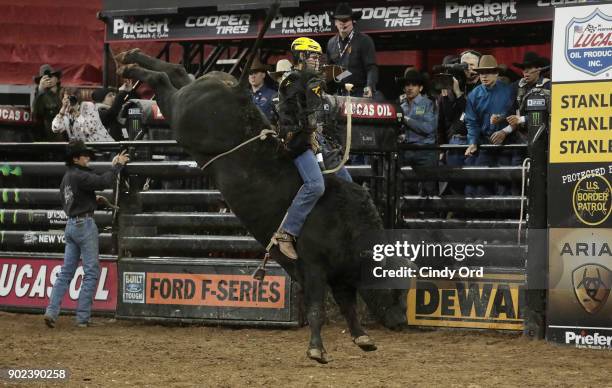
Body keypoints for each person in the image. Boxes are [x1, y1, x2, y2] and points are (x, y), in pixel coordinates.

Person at [271, 37, 351, 260]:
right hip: (296, 140)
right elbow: (302, 114)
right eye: (313, 56)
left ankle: (341, 229)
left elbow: (313, 111)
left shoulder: (306, 79)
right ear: (301, 57)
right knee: (315, 185)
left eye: (318, 56)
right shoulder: (291, 82)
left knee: (345, 180)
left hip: (312, 137)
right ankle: (286, 233)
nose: (317, 60)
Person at [44, 141, 129, 328]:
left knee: (66, 272)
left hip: (71, 225)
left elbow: (74, 198)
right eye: (84, 155)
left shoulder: (67, 177)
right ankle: (82, 317)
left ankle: (51, 311)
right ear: (76, 158)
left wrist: (91, 200)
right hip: (85, 225)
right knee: (91, 271)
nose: (88, 158)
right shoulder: (80, 175)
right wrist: (117, 166)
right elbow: (102, 182)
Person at [464, 55, 515, 196]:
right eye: (481, 73)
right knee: (481, 181)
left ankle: (502, 216)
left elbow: (515, 115)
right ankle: (483, 215)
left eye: (488, 72)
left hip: (507, 144)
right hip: (486, 143)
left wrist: (503, 121)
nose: (484, 76)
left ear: (496, 73)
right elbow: (471, 122)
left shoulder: (509, 91)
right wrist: (472, 142)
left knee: (504, 185)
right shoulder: (473, 95)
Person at [398, 69, 438, 197]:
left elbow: (428, 128)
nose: (409, 88)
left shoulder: (428, 104)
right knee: (406, 189)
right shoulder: (401, 106)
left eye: (413, 85)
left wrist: (405, 119)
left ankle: (429, 216)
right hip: (407, 151)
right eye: (407, 85)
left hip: (425, 152)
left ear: (420, 88)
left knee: (427, 191)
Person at [326, 2, 378, 98]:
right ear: (335, 22)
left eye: (346, 19)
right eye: (339, 20)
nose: (342, 23)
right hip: (338, 94)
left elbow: (371, 68)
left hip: (359, 93)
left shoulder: (364, 40)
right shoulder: (331, 43)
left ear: (353, 21)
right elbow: (329, 72)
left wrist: (370, 87)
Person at [507, 52, 551, 140]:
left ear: (539, 69)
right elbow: (510, 110)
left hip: (543, 136)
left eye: (529, 68)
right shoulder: (516, 86)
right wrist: (501, 117)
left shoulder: (548, 86)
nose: (525, 71)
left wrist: (522, 119)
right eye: (523, 68)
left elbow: (546, 114)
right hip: (521, 136)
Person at [31, 64, 65, 141]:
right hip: (47, 138)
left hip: (65, 137)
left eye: (50, 76)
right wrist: (40, 90)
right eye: (45, 78)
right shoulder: (40, 96)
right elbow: (35, 113)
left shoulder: (65, 92)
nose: (48, 79)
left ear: (57, 78)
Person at [248, 57, 277, 122]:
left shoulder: (273, 95)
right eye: (250, 73)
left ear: (263, 75)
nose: (253, 76)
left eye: (256, 73)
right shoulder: (244, 96)